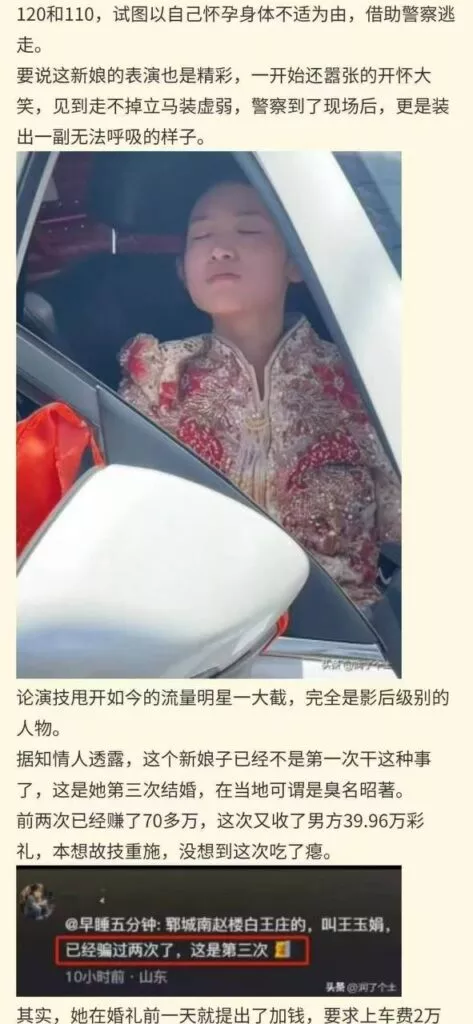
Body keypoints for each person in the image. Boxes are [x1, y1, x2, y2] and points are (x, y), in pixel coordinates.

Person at [118, 178, 401, 608]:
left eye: (248, 230)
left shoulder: (360, 378)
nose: (220, 249)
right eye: (201, 236)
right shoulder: (157, 376)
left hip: (348, 634)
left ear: (296, 263)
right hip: (199, 630)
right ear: (182, 271)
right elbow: (128, 526)